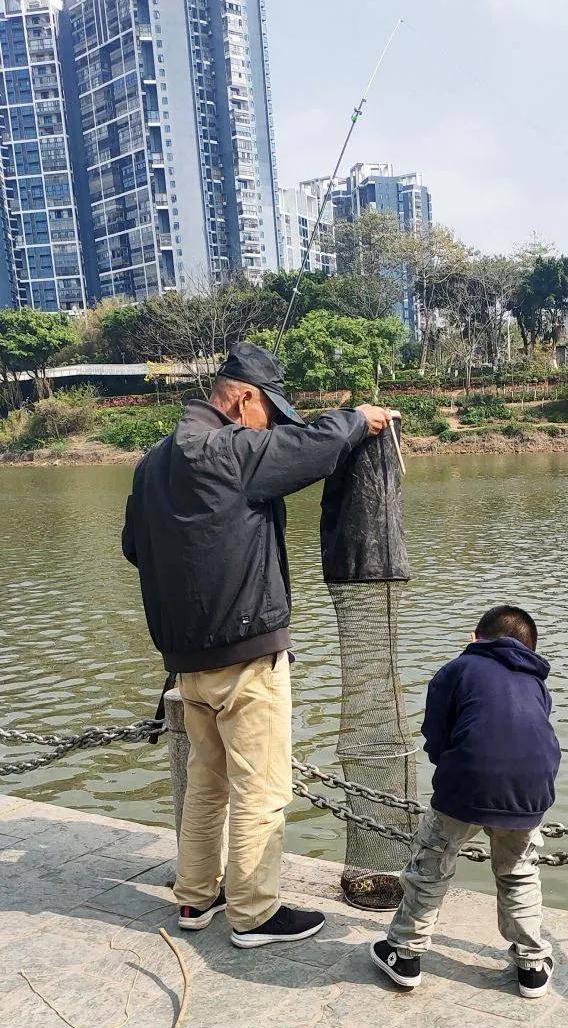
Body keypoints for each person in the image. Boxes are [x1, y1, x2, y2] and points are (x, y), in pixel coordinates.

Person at [122, 341, 390, 948]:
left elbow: (134, 551)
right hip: (247, 656)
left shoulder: (150, 465)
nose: (271, 425)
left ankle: (195, 899)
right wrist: (359, 418)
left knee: (208, 785)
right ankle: (254, 914)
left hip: (187, 667)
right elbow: (313, 448)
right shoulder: (232, 451)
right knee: (261, 791)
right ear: (244, 399)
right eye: (271, 411)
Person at [369, 604, 561, 997]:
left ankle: (404, 954)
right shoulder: (536, 681)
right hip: (531, 790)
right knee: (518, 871)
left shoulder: (457, 670)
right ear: (529, 646)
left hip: (466, 782)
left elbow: (435, 735)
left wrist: (454, 769)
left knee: (431, 866)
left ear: (475, 637)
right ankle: (531, 966)